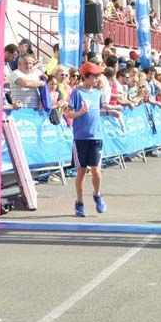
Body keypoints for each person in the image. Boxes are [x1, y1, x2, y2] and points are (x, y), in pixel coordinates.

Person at [65, 62, 122, 217]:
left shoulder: (97, 93)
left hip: (96, 137)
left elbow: (96, 112)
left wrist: (110, 113)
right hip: (81, 138)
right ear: (86, 76)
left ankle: (97, 195)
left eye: (98, 76)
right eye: (95, 76)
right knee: (81, 171)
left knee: (96, 170)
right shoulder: (77, 93)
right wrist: (79, 113)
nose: (97, 79)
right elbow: (67, 113)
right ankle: (79, 203)